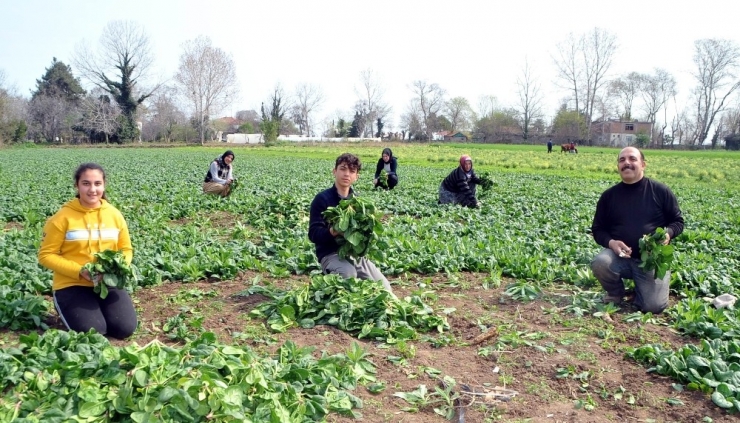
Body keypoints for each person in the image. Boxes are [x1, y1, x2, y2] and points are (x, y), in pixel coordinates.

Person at [38, 163, 137, 339]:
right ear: (77, 186)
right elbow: (46, 255)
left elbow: (126, 249)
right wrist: (79, 271)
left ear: (104, 185)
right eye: (86, 183)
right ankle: (68, 307)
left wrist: (116, 268)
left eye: (97, 183)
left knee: (124, 328)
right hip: (72, 284)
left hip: (106, 283)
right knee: (93, 332)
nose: (92, 189)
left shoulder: (114, 215)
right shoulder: (62, 218)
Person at [590, 147, 684, 314]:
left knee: (653, 307)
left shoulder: (660, 191)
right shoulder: (609, 196)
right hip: (620, 259)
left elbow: (677, 222)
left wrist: (668, 234)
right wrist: (611, 243)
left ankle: (642, 292)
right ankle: (615, 293)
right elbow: (598, 229)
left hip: (651, 260)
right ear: (618, 166)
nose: (627, 163)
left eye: (632, 159)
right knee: (600, 262)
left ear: (643, 164)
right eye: (622, 160)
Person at [308, 153, 393, 292]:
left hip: (354, 255)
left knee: (384, 288)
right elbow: (313, 234)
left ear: (356, 176)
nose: (347, 174)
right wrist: (334, 231)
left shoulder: (358, 202)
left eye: (352, 171)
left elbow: (364, 236)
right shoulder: (322, 199)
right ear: (334, 171)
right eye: (343, 169)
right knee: (348, 275)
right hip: (330, 254)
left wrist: (371, 224)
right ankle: (328, 289)